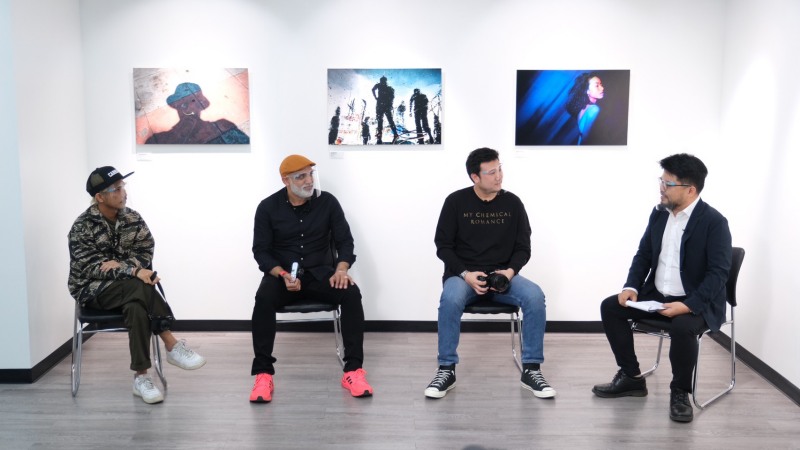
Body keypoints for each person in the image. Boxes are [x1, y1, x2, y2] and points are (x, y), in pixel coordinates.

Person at [592, 153, 732, 423]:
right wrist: (631, 286)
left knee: (682, 327)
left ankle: (680, 392)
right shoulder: (659, 215)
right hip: (656, 296)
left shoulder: (715, 222)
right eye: (661, 181)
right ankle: (631, 376)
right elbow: (644, 254)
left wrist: (688, 305)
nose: (661, 188)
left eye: (668, 183)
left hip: (696, 300)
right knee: (611, 307)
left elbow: (718, 274)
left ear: (690, 190)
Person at [68, 166, 207, 405]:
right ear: (99, 197)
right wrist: (132, 270)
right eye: (115, 189)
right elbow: (92, 268)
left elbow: (145, 252)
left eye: (123, 187)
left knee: (136, 306)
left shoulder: (133, 218)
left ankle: (141, 377)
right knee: (139, 285)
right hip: (92, 290)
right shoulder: (82, 227)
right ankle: (171, 344)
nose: (123, 193)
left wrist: (122, 266)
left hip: (129, 291)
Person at [426, 147, 556, 399]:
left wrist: (509, 272)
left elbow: (523, 247)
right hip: (464, 276)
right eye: (491, 172)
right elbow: (443, 246)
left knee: (534, 296)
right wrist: (465, 274)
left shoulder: (512, 203)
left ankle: (532, 369)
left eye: (500, 169)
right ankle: (446, 369)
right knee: (450, 298)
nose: (499, 176)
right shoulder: (455, 202)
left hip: (503, 277)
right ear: (475, 177)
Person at [249, 154, 373, 402]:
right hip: (283, 276)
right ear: (285, 180)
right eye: (301, 177)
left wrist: (341, 270)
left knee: (351, 293)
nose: (309, 181)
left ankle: (353, 371)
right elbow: (261, 251)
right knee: (263, 298)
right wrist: (282, 274)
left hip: (321, 275)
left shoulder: (327, 202)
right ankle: (263, 374)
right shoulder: (267, 207)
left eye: (310, 174)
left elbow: (345, 242)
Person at [145, 82, 250, 144]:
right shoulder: (161, 138)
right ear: (177, 106)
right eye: (183, 104)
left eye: (194, 102)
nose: (187, 109)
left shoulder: (223, 125)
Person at [566, 72, 604, 145]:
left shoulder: (582, 110)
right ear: (587, 91)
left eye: (601, 84)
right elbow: (585, 140)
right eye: (597, 86)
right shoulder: (594, 109)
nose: (602, 88)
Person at [371, 76, 398, 144]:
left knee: (380, 121)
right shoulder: (389, 88)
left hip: (381, 106)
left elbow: (373, 89)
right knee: (389, 121)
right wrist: (390, 105)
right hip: (386, 106)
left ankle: (380, 137)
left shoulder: (379, 85)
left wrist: (375, 97)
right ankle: (395, 134)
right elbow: (392, 97)